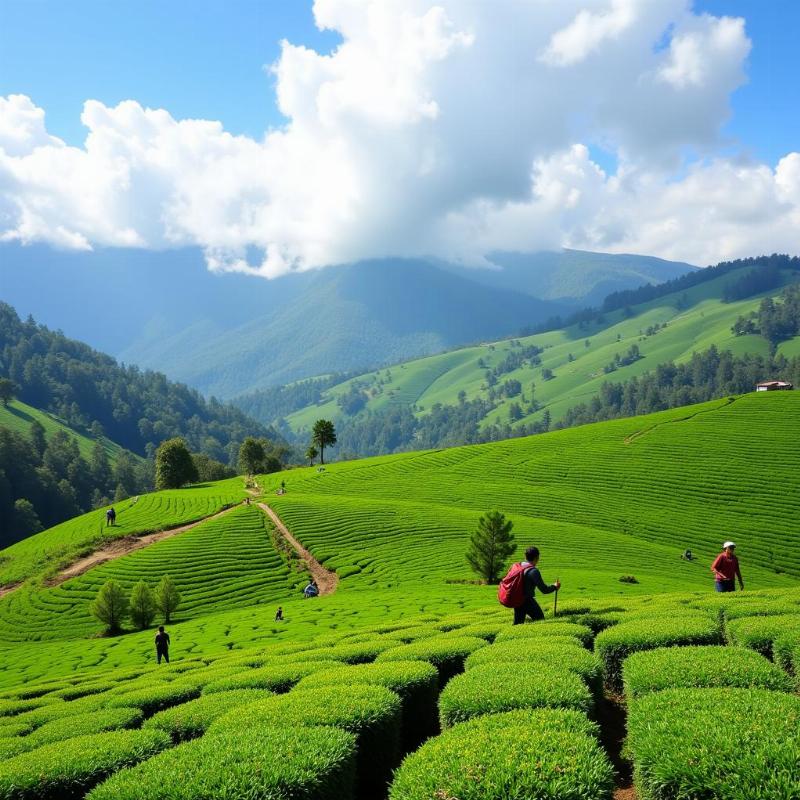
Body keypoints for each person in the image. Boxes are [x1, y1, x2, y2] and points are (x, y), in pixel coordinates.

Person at [511, 546, 560, 625]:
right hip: (527, 600)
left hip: (517, 599)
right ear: (537, 557)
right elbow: (544, 590)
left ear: (525, 556)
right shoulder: (533, 571)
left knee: (518, 623)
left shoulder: (518, 566)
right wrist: (554, 586)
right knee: (540, 620)